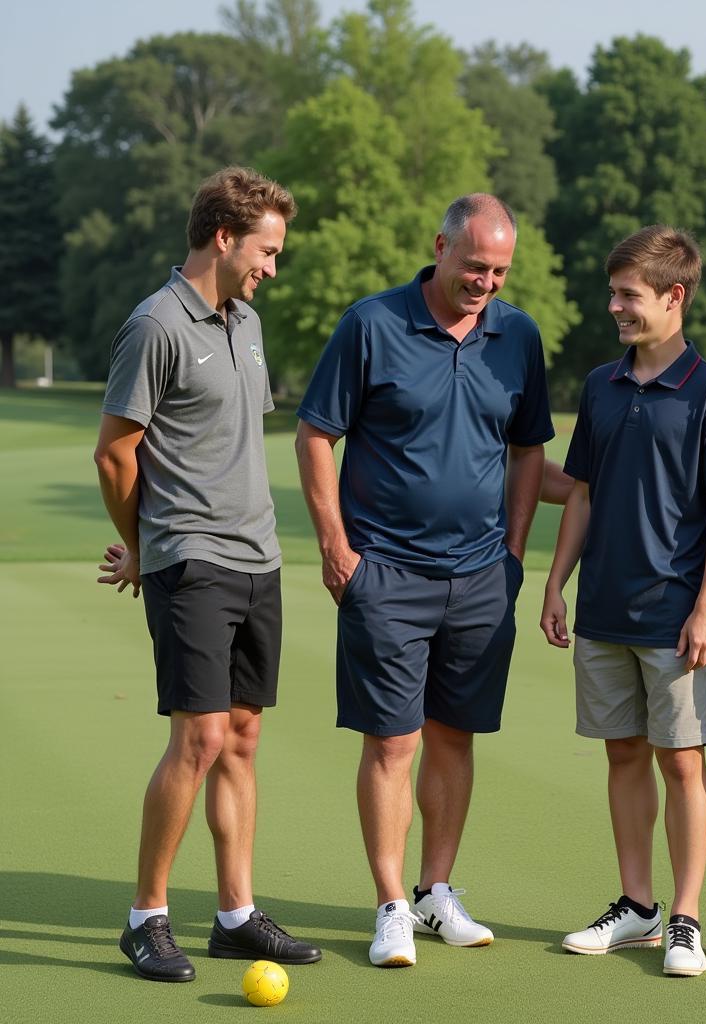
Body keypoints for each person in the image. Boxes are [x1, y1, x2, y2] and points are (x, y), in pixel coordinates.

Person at [294, 193, 553, 968]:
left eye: (500, 270)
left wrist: (512, 553)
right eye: (475, 265)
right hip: (386, 571)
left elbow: (529, 448)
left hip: (480, 577)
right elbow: (316, 436)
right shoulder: (370, 324)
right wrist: (336, 548)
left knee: (454, 736)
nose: (487, 282)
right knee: (393, 742)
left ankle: (438, 890)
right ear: (440, 246)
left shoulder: (518, 335)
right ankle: (391, 905)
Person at [94, 167, 321, 982]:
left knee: (243, 739)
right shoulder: (155, 324)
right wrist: (147, 548)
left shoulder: (247, 322)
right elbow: (116, 452)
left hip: (258, 557)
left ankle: (234, 915)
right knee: (198, 738)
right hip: (191, 559)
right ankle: (145, 916)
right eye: (266, 249)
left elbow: (226, 442)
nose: (272, 266)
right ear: (224, 237)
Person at [540, 225, 706, 977]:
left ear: (674, 296)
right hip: (602, 608)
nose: (615, 308)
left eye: (628, 295)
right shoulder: (600, 385)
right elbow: (583, 493)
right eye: (614, 293)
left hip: (675, 615)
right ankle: (636, 907)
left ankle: (686, 918)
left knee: (682, 766)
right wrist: (556, 581)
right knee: (623, 754)